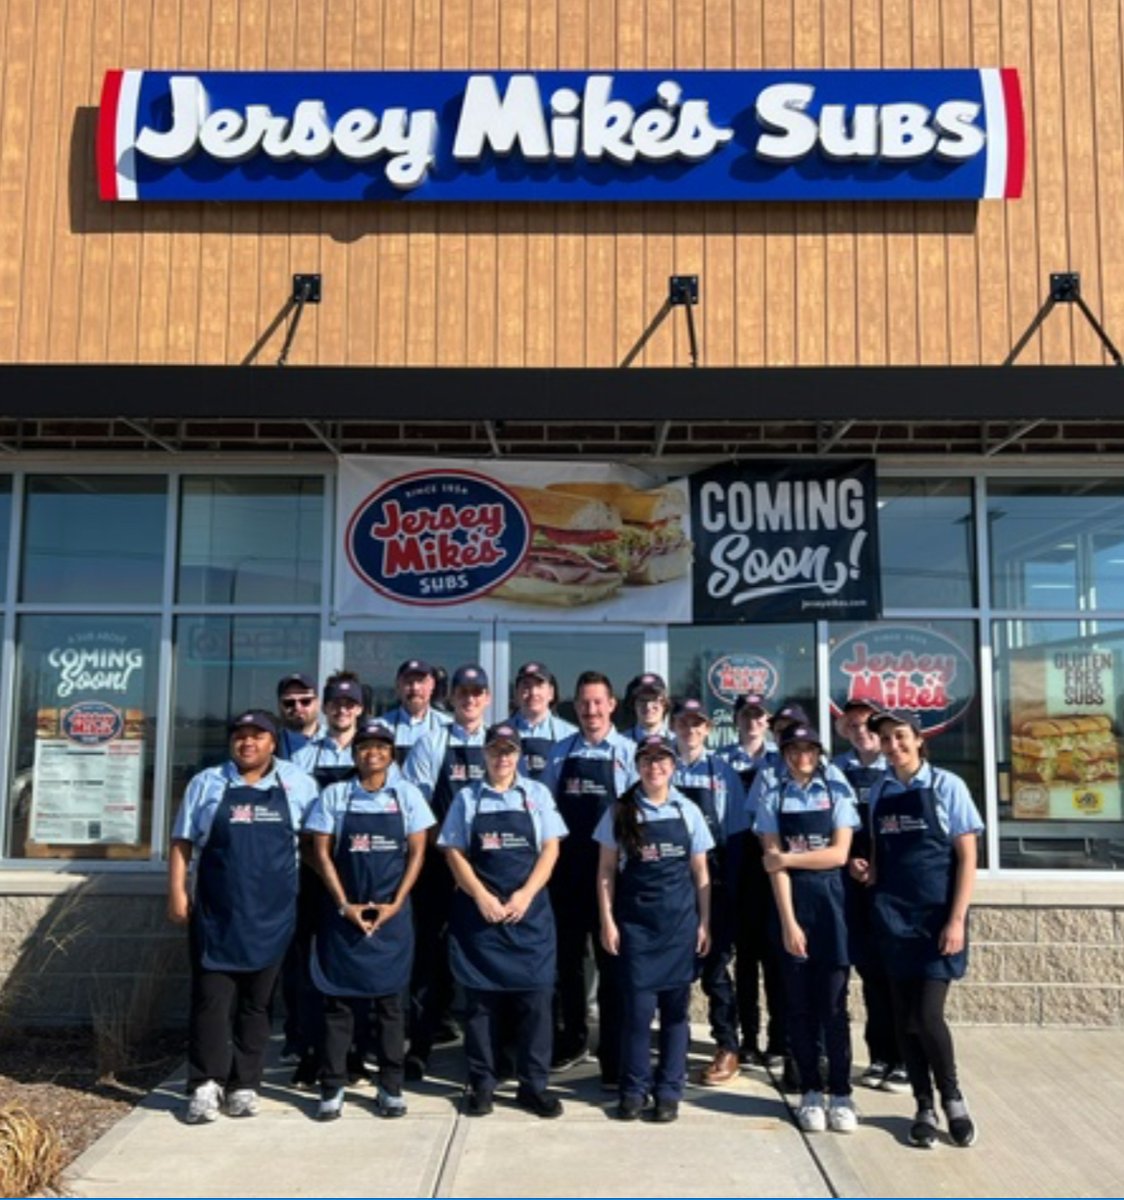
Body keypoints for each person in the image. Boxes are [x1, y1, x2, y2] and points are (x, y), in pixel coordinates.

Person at [167, 709, 318, 1124]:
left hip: (273, 914)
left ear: (273, 742)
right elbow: (181, 841)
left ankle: (246, 1084)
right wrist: (177, 892)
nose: (247, 743)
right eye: (241, 736)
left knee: (257, 1004)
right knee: (211, 1001)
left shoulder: (298, 785)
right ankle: (204, 1084)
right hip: (217, 912)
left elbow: (314, 845)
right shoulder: (208, 783)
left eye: (258, 736)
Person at [858, 709, 984, 1150]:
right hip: (892, 917)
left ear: (918, 738)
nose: (893, 746)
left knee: (927, 1016)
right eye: (886, 740)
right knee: (902, 1020)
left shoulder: (947, 786)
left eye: (900, 737)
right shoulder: (880, 791)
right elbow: (878, 856)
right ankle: (923, 1106)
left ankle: (953, 1099)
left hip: (936, 919)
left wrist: (956, 919)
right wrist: (865, 870)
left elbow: (967, 856)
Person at [305, 717, 435, 1122]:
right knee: (338, 1006)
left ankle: (391, 1087)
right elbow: (320, 852)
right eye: (364, 746)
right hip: (343, 916)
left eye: (381, 746)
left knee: (391, 1007)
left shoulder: (408, 796)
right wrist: (344, 904)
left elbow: (418, 852)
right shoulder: (336, 796)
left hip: (392, 919)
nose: (372, 753)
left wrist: (396, 903)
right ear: (354, 752)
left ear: (391, 754)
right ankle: (332, 1087)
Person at [439, 722, 568, 1119]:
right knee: (480, 1007)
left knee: (537, 1002)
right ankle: (482, 1083)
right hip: (481, 919)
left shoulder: (536, 795)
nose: (503, 757)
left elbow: (550, 849)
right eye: (496, 750)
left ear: (518, 755)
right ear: (484, 754)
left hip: (529, 918)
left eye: (510, 751)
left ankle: (534, 1085)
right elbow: (454, 852)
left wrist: (525, 895)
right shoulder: (467, 799)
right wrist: (481, 896)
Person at [596, 734, 712, 1123]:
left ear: (673, 765)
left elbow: (700, 872)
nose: (654, 767)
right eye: (647, 760)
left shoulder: (688, 811)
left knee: (676, 1014)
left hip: (679, 925)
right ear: (637, 765)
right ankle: (633, 1089)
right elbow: (607, 872)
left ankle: (669, 1091)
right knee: (638, 1012)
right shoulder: (620, 811)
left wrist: (704, 922)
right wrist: (608, 921)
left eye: (662, 760)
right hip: (637, 927)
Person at [756, 722, 860, 1135]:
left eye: (809, 749)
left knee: (834, 1007)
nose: (802, 756)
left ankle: (842, 1092)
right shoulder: (772, 795)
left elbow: (838, 854)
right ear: (784, 753)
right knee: (797, 1007)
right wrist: (788, 922)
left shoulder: (837, 791)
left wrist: (788, 858)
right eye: (794, 749)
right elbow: (769, 864)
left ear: (819, 753)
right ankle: (811, 1092)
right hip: (791, 908)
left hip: (832, 908)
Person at [539, 671, 637, 1084]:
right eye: (584, 702)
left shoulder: (630, 753)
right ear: (574, 706)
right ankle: (573, 1038)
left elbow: (637, 817)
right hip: (567, 873)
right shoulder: (560, 753)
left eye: (598, 702)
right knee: (568, 963)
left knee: (611, 961)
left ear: (612, 705)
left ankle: (612, 1050)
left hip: (613, 874)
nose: (591, 710)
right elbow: (544, 811)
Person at [402, 663, 491, 1078]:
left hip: (491, 868)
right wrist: (452, 850)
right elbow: (418, 808)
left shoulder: (500, 742)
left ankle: (492, 1048)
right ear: (451, 697)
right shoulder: (430, 743)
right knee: (429, 958)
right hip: (439, 866)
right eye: (463, 692)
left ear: (487, 698)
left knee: (486, 953)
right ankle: (420, 1044)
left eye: (477, 692)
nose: (470, 699)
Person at [289, 671, 368, 1083]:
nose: (342, 710)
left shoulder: (373, 753)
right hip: (314, 875)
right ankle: (309, 1049)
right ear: (327, 706)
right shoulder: (302, 758)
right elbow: (297, 824)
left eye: (349, 703)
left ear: (359, 708)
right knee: (310, 967)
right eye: (335, 703)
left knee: (355, 964)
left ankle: (354, 1052)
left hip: (360, 875)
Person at [670, 698, 750, 1086]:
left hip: (712, 883)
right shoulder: (659, 767)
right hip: (668, 883)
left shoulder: (724, 772)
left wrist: (730, 890)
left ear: (706, 729)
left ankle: (727, 1045)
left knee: (716, 971)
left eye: (697, 724)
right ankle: (673, 1044)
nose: (690, 730)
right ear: (674, 727)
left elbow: (735, 834)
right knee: (674, 970)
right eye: (684, 723)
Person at [831, 699, 905, 1093]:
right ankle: (879, 1056)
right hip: (851, 883)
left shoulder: (895, 771)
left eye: (867, 724)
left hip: (892, 883)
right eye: (853, 724)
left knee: (898, 972)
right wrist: (849, 862)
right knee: (871, 974)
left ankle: (904, 1059)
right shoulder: (837, 771)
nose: (861, 730)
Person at [719, 693, 786, 1070]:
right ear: (736, 719)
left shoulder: (782, 760)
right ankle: (747, 1039)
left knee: (776, 961)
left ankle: (778, 1040)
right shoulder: (722, 761)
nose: (752, 721)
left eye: (759, 716)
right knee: (744, 962)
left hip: (774, 864)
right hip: (738, 865)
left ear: (768, 721)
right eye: (746, 714)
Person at [508, 661, 578, 781]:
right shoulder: (499, 734)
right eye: (526, 686)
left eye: (539, 686)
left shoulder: (571, 735)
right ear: (516, 693)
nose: (533, 693)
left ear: (551, 693)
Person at [381, 659, 452, 767]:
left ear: (432, 685)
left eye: (421, 682)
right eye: (408, 682)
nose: (415, 688)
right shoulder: (381, 727)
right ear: (398, 686)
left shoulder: (448, 727)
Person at [275, 672, 323, 761]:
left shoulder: (334, 742)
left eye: (305, 701)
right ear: (279, 705)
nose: (297, 707)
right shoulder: (270, 745)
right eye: (289, 703)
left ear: (318, 703)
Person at [624, 672, 670, 744]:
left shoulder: (678, 743)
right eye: (642, 700)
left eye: (654, 699)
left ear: (664, 704)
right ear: (634, 705)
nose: (648, 706)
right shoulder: (620, 744)